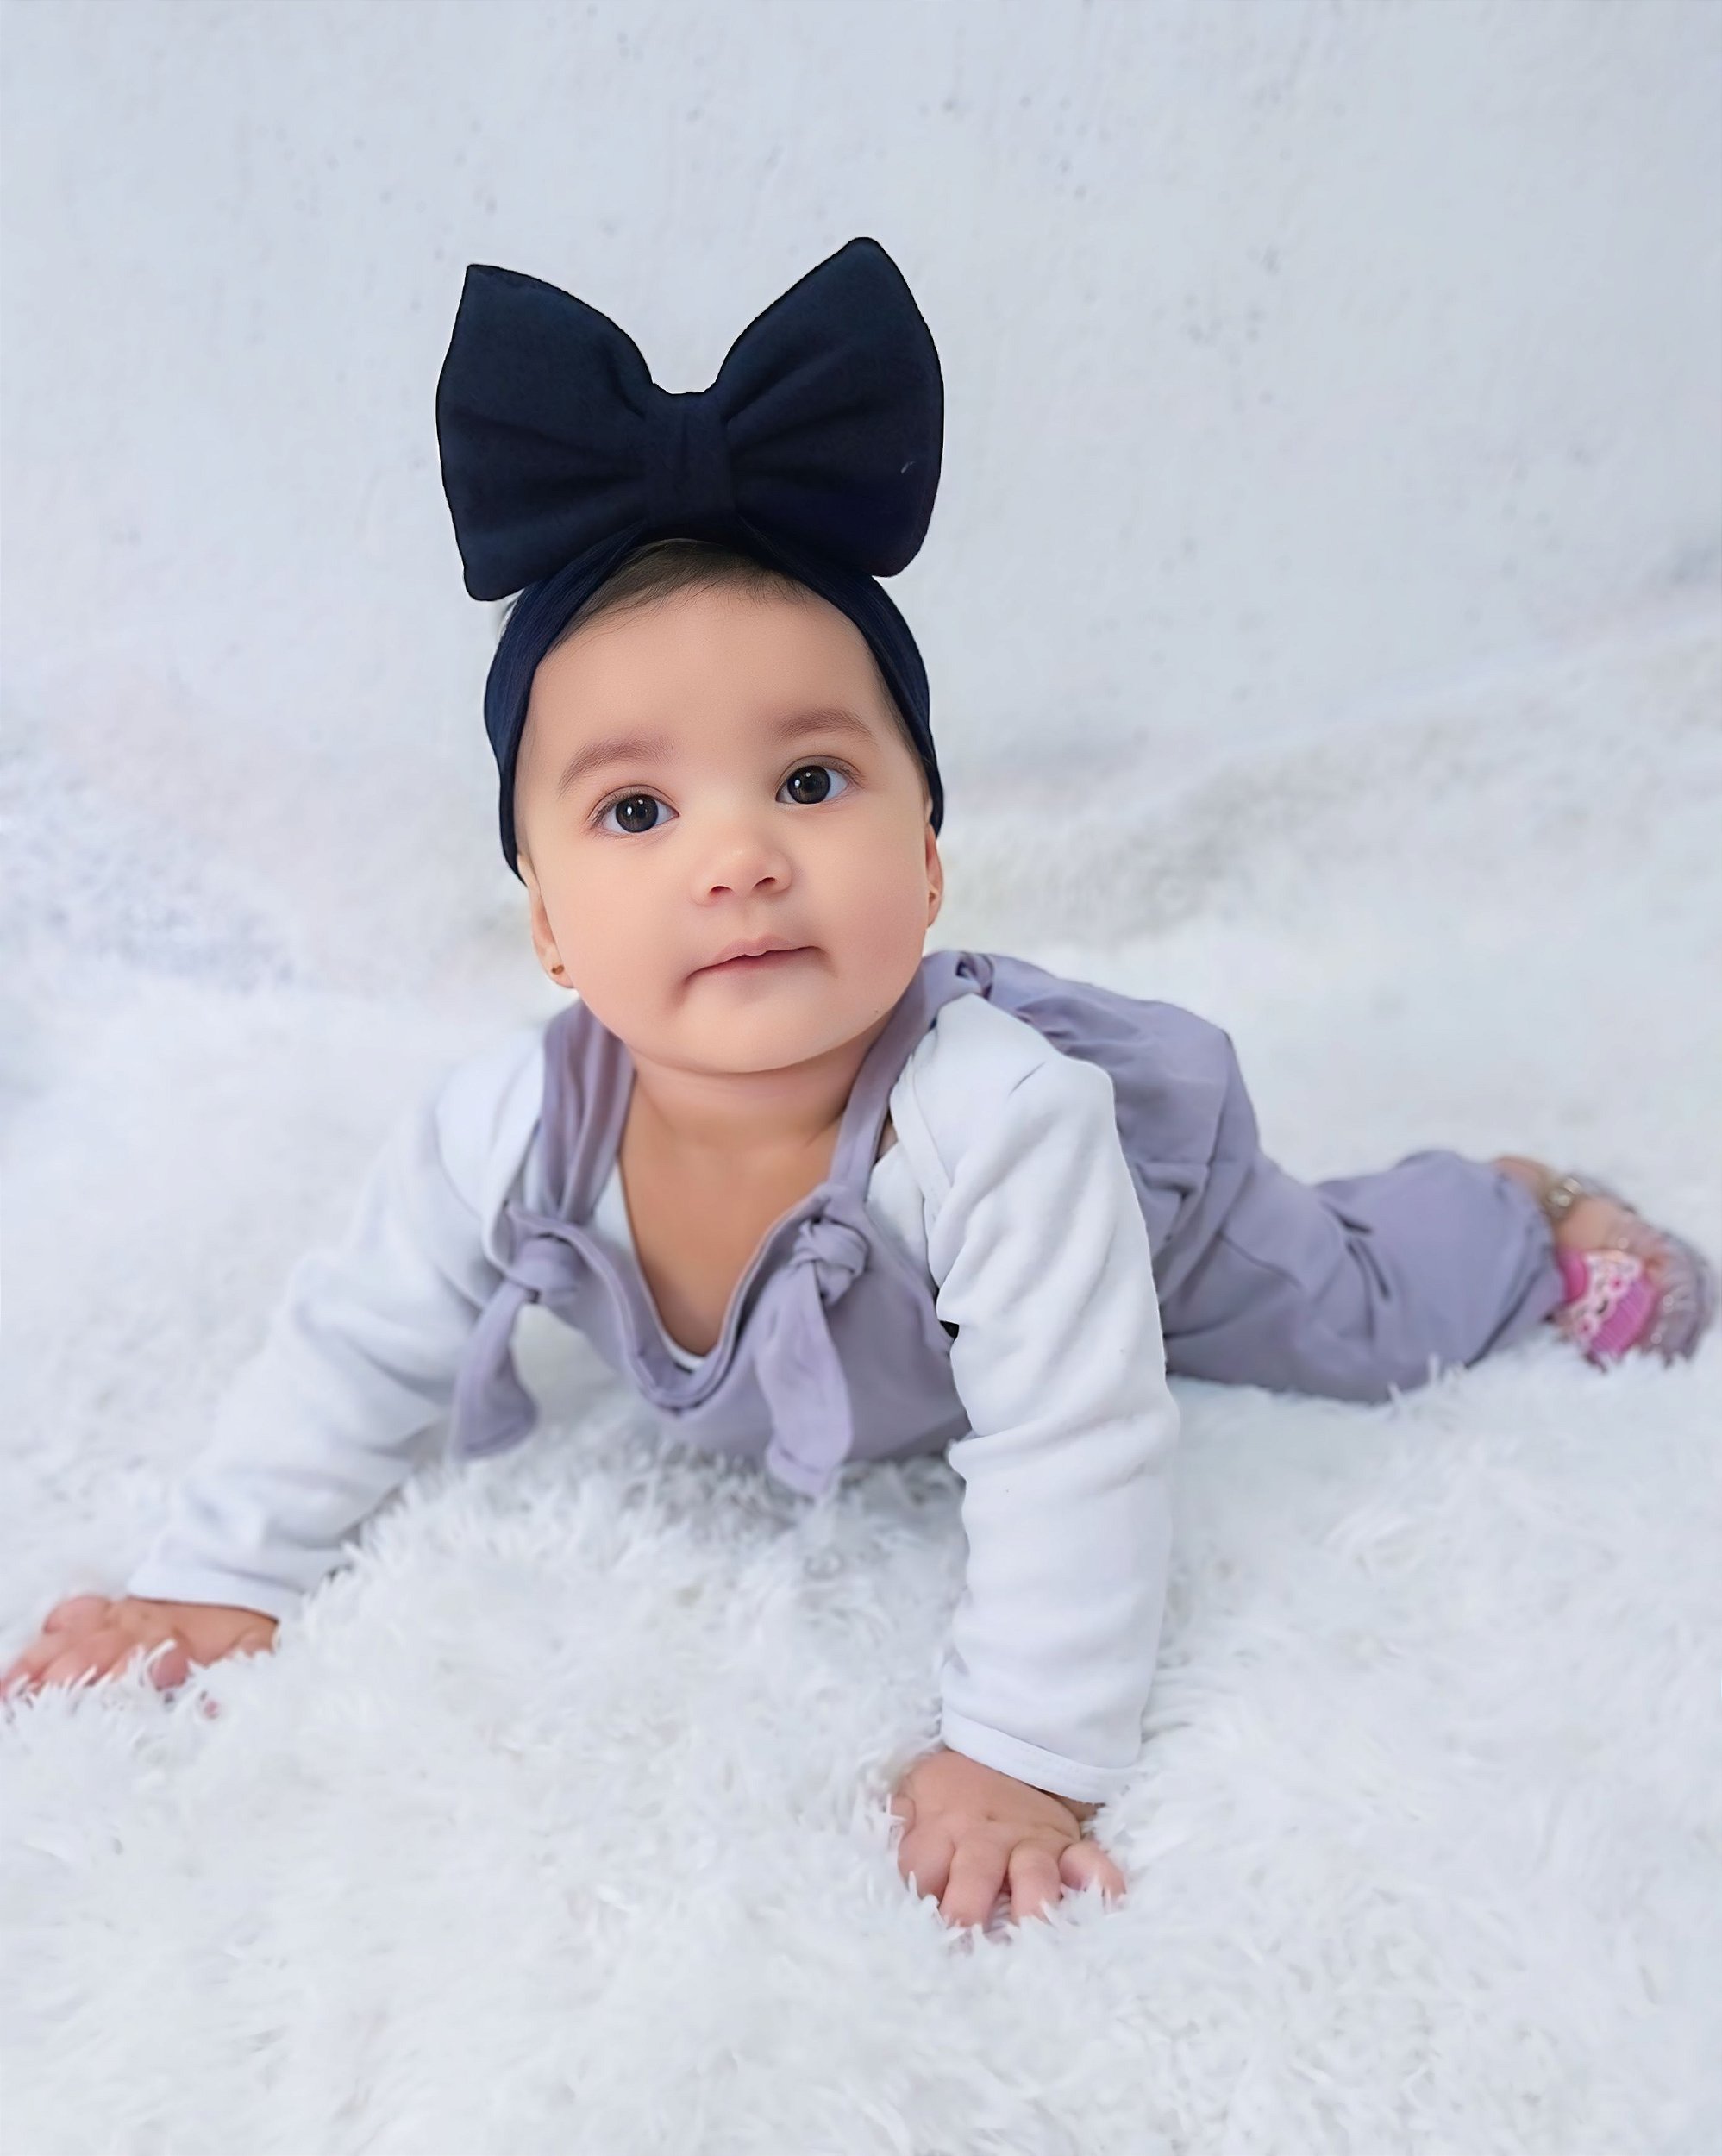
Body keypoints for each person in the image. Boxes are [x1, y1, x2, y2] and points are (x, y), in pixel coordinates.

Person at [3, 241, 1713, 1937]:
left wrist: (1024, 1755)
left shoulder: (1004, 1122)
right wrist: (213, 1580)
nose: (740, 855)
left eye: (811, 780)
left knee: (1357, 1323)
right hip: (919, 1340)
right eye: (636, 811)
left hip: (1165, 1244)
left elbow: (1074, 1440)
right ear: (546, 927)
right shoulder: (505, 1132)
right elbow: (356, 1345)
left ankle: (1516, 1202)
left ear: (932, 857)